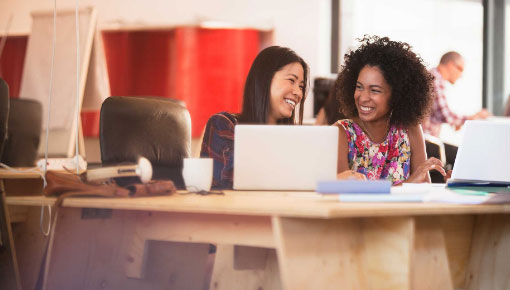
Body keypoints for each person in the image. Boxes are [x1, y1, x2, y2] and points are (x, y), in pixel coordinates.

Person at [335, 35, 446, 184]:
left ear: (396, 95)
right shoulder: (342, 133)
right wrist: (408, 184)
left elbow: (422, 189)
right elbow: (340, 195)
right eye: (359, 87)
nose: (363, 97)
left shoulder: (409, 129)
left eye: (374, 90)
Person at [200, 46, 309, 189]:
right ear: (265, 79)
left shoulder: (295, 137)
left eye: (301, 86)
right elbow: (230, 181)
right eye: (291, 81)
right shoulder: (224, 125)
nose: (298, 93)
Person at [423, 51, 489, 137]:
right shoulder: (435, 78)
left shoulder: (432, 76)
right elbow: (444, 114)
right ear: (450, 65)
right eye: (460, 69)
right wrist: (471, 118)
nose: (461, 75)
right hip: (426, 142)